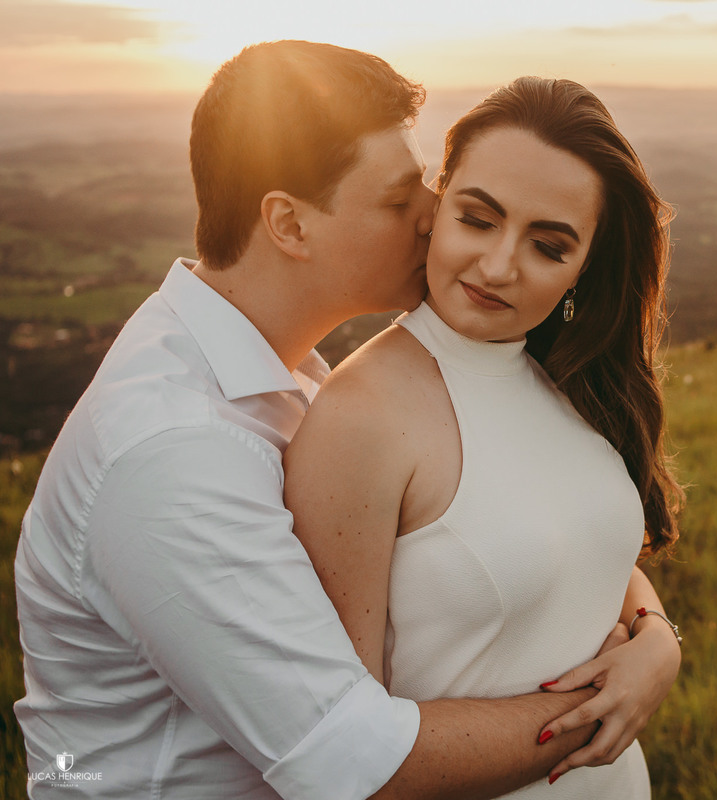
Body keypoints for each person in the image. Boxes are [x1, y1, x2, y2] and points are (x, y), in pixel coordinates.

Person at [13, 41, 678, 799]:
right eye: (401, 201)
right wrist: (609, 703)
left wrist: (656, 637)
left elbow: (533, 528)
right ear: (290, 227)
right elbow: (352, 760)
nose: (436, 219)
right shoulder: (172, 452)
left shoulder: (279, 371)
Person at [283, 76, 685, 797]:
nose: (498, 267)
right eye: (478, 218)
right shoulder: (361, 419)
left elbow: (575, 547)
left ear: (584, 267)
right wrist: (594, 707)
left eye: (549, 245)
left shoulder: (568, 375)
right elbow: (346, 742)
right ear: (438, 204)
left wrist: (656, 637)